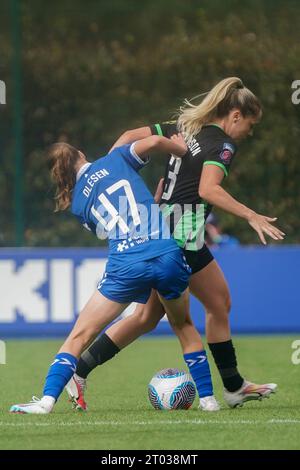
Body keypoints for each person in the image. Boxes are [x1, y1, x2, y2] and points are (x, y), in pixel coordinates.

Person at [66, 77, 283, 411]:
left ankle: (233, 385)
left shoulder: (184, 126)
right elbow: (208, 190)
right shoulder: (222, 145)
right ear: (236, 115)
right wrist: (251, 215)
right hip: (181, 235)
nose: (248, 133)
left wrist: (113, 170)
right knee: (189, 311)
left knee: (164, 314)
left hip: (169, 229)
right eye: (250, 125)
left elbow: (127, 139)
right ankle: (230, 387)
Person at [10, 134, 220, 414]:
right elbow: (155, 142)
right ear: (81, 154)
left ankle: (47, 401)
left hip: (127, 264)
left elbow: (115, 226)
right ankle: (209, 401)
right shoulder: (117, 158)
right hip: (166, 253)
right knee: (183, 325)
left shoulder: (77, 206)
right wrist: (179, 149)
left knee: (79, 336)